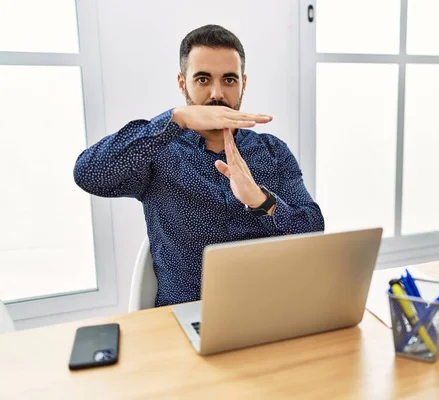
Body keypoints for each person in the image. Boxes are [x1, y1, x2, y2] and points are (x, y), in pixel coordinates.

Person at [73, 25, 324, 307]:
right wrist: (177, 119)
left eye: (229, 80)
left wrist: (262, 201)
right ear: (183, 84)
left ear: (243, 83)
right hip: (185, 317)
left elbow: (313, 231)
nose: (216, 93)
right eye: (203, 79)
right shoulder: (159, 153)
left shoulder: (272, 151)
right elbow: (88, 173)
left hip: (266, 311)